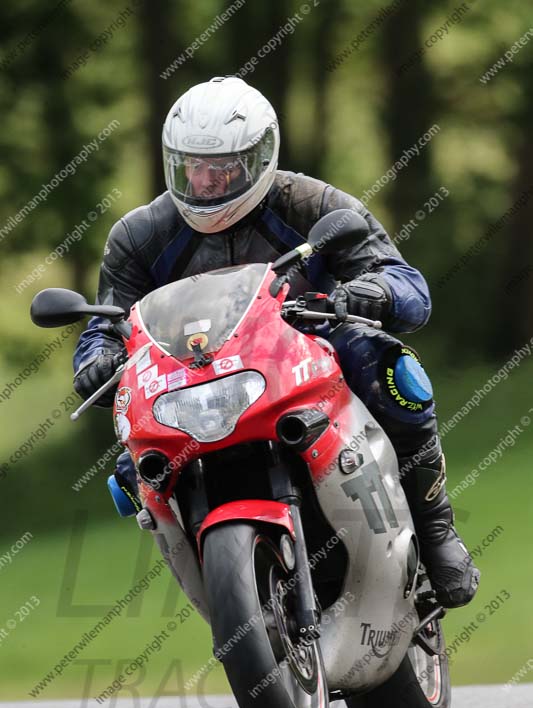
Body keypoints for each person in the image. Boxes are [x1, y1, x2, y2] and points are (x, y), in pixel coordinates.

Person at [73, 76, 479, 609]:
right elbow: (107, 321)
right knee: (133, 464)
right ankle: (208, 573)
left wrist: (372, 292)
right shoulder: (139, 235)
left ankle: (434, 528)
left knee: (389, 368)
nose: (207, 182)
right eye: (192, 166)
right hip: (188, 377)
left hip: (304, 356)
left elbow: (405, 284)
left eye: (223, 167)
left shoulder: (312, 203)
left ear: (260, 157)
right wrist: (98, 359)